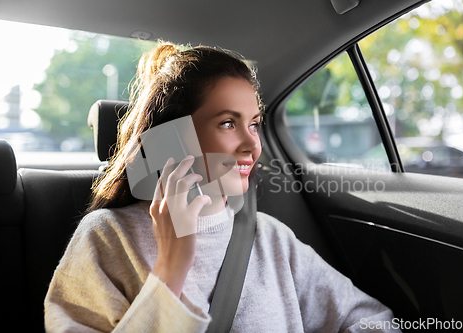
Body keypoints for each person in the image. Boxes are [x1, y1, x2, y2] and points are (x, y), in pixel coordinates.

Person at [44, 41, 400, 332]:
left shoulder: (270, 238)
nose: (252, 145)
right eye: (228, 123)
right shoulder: (107, 238)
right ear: (172, 138)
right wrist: (172, 266)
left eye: (255, 123)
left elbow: (374, 321)